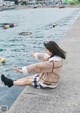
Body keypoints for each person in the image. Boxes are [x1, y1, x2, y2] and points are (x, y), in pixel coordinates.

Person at [1, 41, 66, 89]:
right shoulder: (57, 58)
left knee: (27, 81)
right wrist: (35, 54)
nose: (46, 51)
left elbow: (38, 67)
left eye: (47, 49)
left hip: (48, 83)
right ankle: (11, 82)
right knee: (28, 78)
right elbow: (44, 56)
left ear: (52, 50)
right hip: (49, 78)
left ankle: (10, 82)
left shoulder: (52, 63)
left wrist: (22, 70)